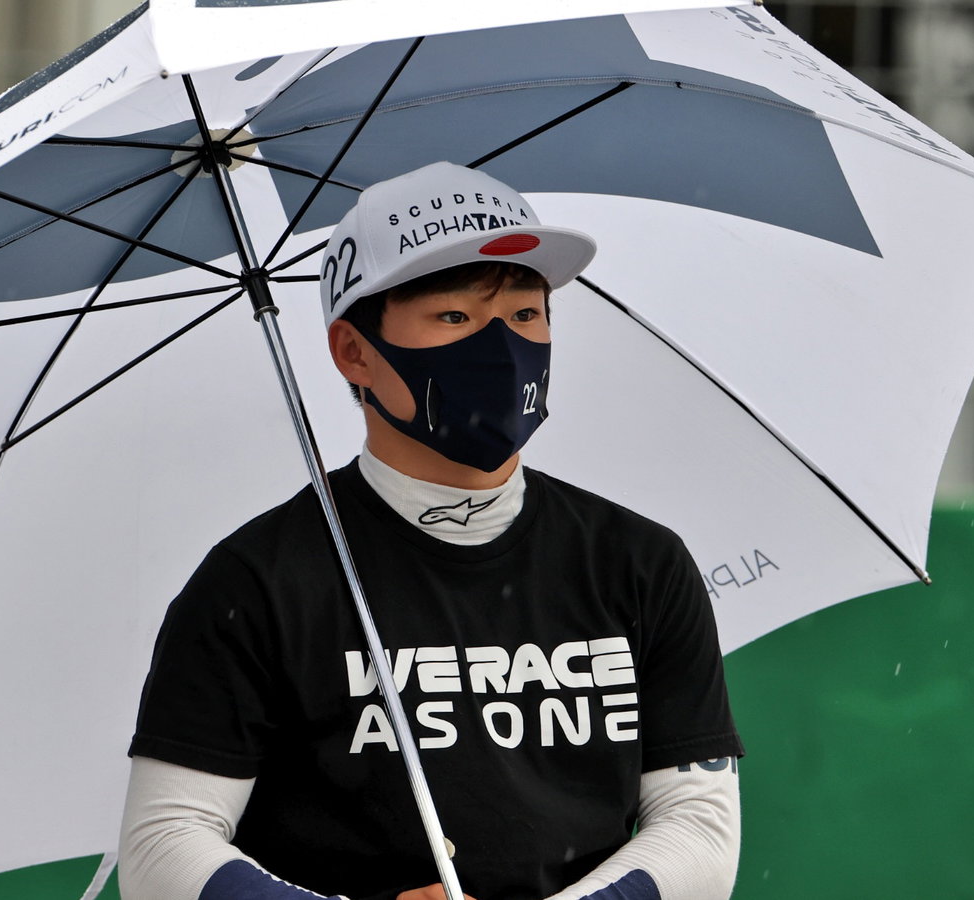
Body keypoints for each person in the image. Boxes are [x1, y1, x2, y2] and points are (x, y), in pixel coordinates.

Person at [120, 162, 743, 900]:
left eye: (526, 315)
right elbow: (162, 847)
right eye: (455, 317)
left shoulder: (640, 561)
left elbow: (700, 823)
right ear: (354, 352)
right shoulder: (256, 580)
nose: (504, 348)